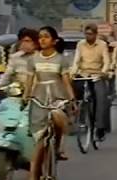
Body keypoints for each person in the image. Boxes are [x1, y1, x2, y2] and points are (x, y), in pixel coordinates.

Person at [22, 26, 77, 180]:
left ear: (54, 41)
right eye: (40, 37)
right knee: (40, 140)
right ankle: (33, 176)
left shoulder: (61, 59)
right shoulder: (33, 59)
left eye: (46, 37)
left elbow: (66, 82)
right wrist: (25, 97)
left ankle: (58, 148)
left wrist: (72, 99)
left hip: (57, 97)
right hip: (38, 98)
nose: (42, 40)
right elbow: (29, 82)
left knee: (59, 119)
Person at [70, 23, 111, 140]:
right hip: (83, 74)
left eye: (91, 34)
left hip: (97, 75)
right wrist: (73, 72)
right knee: (73, 96)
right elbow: (76, 61)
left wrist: (103, 72)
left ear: (95, 34)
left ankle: (100, 127)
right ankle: (76, 119)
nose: (88, 36)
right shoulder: (80, 44)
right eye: (86, 34)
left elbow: (106, 61)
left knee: (101, 99)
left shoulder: (102, 45)